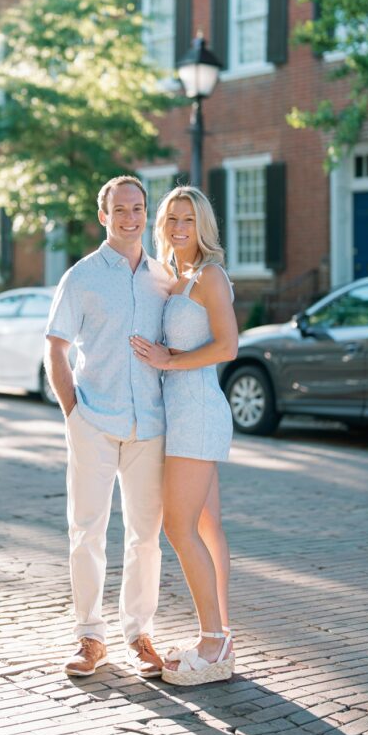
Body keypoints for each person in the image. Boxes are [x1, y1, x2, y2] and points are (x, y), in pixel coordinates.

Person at [45, 175, 173, 678]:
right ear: (104, 216)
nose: (129, 217)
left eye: (138, 208)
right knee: (87, 531)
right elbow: (55, 346)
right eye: (119, 209)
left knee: (146, 536)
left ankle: (138, 634)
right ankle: (89, 636)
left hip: (151, 425)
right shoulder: (80, 277)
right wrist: (72, 412)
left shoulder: (163, 278)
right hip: (93, 420)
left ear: (147, 213)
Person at [130, 185, 238, 686]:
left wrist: (168, 359)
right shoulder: (176, 279)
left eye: (188, 220)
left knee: (178, 528)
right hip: (183, 412)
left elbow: (228, 347)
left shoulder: (209, 276)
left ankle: (213, 644)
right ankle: (221, 635)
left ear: (203, 227)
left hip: (196, 411)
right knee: (209, 528)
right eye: (172, 218)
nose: (178, 227)